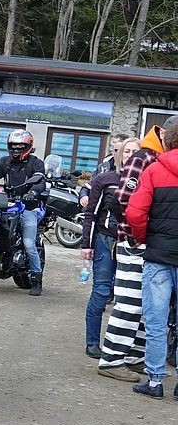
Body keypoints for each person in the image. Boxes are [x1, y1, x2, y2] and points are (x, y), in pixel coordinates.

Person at [97, 123, 174, 380]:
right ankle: (111, 360)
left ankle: (134, 357)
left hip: (147, 244)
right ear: (162, 134)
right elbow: (123, 199)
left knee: (145, 304)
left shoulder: (157, 157)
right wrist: (135, 237)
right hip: (134, 244)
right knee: (129, 303)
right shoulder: (144, 157)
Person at [123, 122, 178, 398]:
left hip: (158, 255)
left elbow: (134, 213)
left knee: (156, 321)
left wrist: (144, 237)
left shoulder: (154, 170)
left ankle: (155, 381)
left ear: (168, 140)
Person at [81, 137, 138, 359]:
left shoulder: (146, 181)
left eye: (135, 151)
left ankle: (124, 347)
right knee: (101, 290)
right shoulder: (104, 179)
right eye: (127, 151)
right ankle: (92, 343)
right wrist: (86, 244)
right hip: (105, 241)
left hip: (131, 244)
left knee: (128, 298)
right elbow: (91, 214)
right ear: (119, 154)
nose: (130, 155)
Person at [0, 129, 47, 295]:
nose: (16, 149)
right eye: (13, 146)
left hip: (27, 205)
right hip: (7, 203)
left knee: (28, 243)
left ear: (28, 146)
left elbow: (40, 181)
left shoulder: (35, 163)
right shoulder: (5, 162)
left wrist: (33, 192)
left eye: (20, 146)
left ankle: (36, 279)